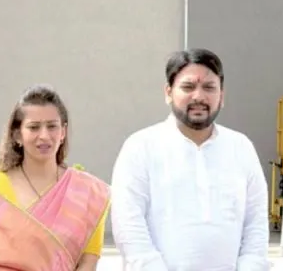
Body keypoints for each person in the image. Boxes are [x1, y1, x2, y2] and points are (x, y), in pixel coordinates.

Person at [110, 48, 270, 270]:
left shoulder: (240, 148)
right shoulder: (141, 147)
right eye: (188, 87)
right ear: (168, 92)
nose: (198, 96)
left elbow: (256, 223)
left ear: (222, 96)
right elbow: (128, 224)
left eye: (209, 87)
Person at [0, 85, 111, 271]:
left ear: (63, 132)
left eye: (52, 126)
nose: (44, 136)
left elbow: (88, 263)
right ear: (17, 134)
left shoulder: (88, 193)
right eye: (34, 127)